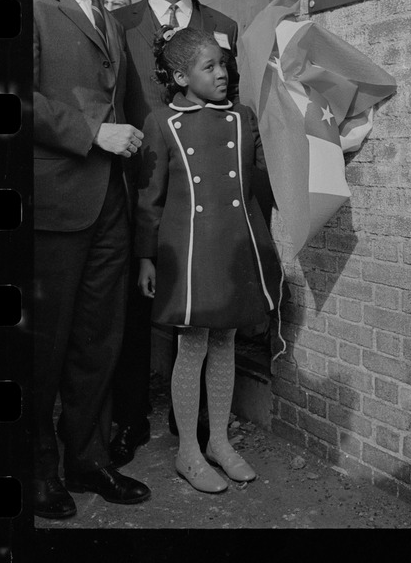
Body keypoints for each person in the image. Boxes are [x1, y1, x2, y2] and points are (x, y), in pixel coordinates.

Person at [33, 0, 150, 519]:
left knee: (98, 340)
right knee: (44, 347)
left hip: (112, 203)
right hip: (55, 205)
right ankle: (35, 471)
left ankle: (87, 459)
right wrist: (88, 133)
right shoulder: (31, 5)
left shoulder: (108, 15)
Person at [108, 0, 239, 467]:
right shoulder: (118, 25)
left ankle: (208, 431)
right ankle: (130, 418)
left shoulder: (222, 26)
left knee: (210, 311)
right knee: (136, 310)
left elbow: (230, 115)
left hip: (206, 199)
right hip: (139, 185)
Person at [134, 27, 282, 492]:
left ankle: (219, 441)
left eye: (224, 64)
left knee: (226, 343)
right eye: (209, 66)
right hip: (192, 251)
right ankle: (187, 452)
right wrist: (146, 258)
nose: (222, 73)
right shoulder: (161, 122)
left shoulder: (242, 117)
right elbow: (148, 201)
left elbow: (264, 177)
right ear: (180, 76)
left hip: (234, 245)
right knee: (192, 346)